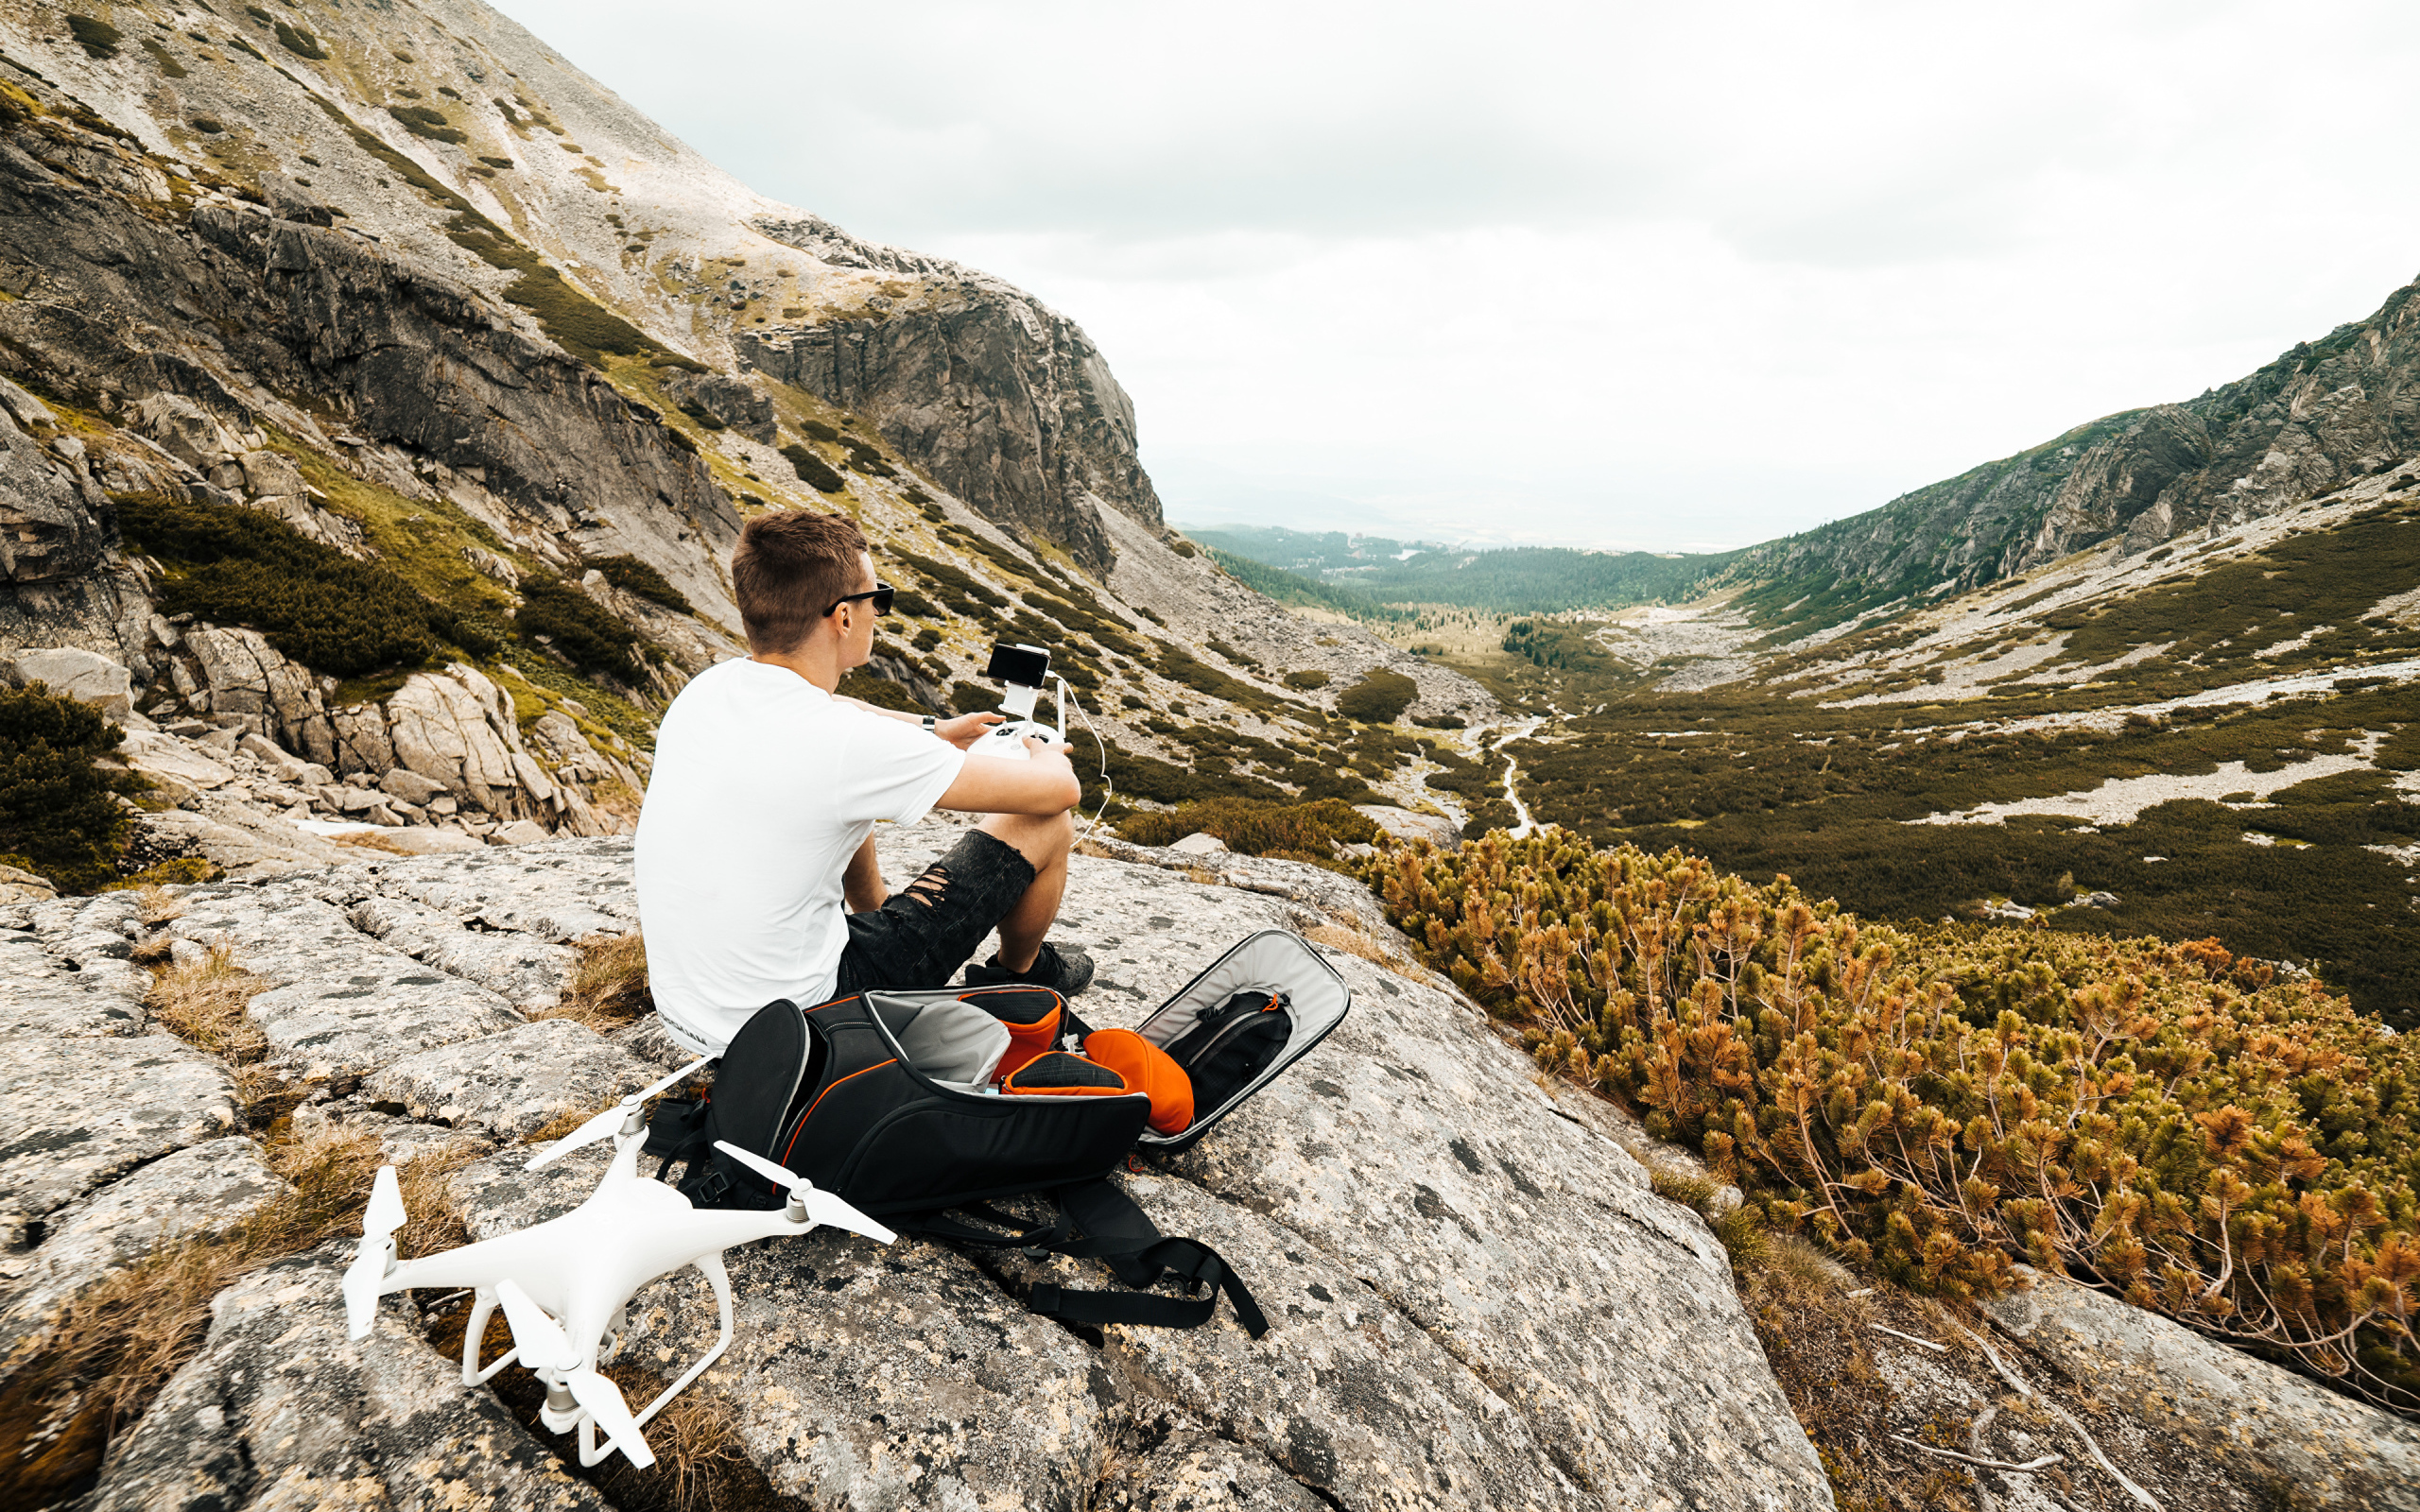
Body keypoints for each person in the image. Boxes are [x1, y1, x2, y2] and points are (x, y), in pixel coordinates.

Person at [635, 510, 1092, 1057]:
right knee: (1045, 823)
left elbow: (837, 710)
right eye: (879, 599)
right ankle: (1019, 975)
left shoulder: (709, 689)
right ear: (844, 618)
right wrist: (1045, 754)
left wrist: (936, 730)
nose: (880, 611)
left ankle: (877, 917)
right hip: (811, 1022)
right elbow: (1060, 793)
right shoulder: (846, 745)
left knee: (845, 802)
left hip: (694, 1014)